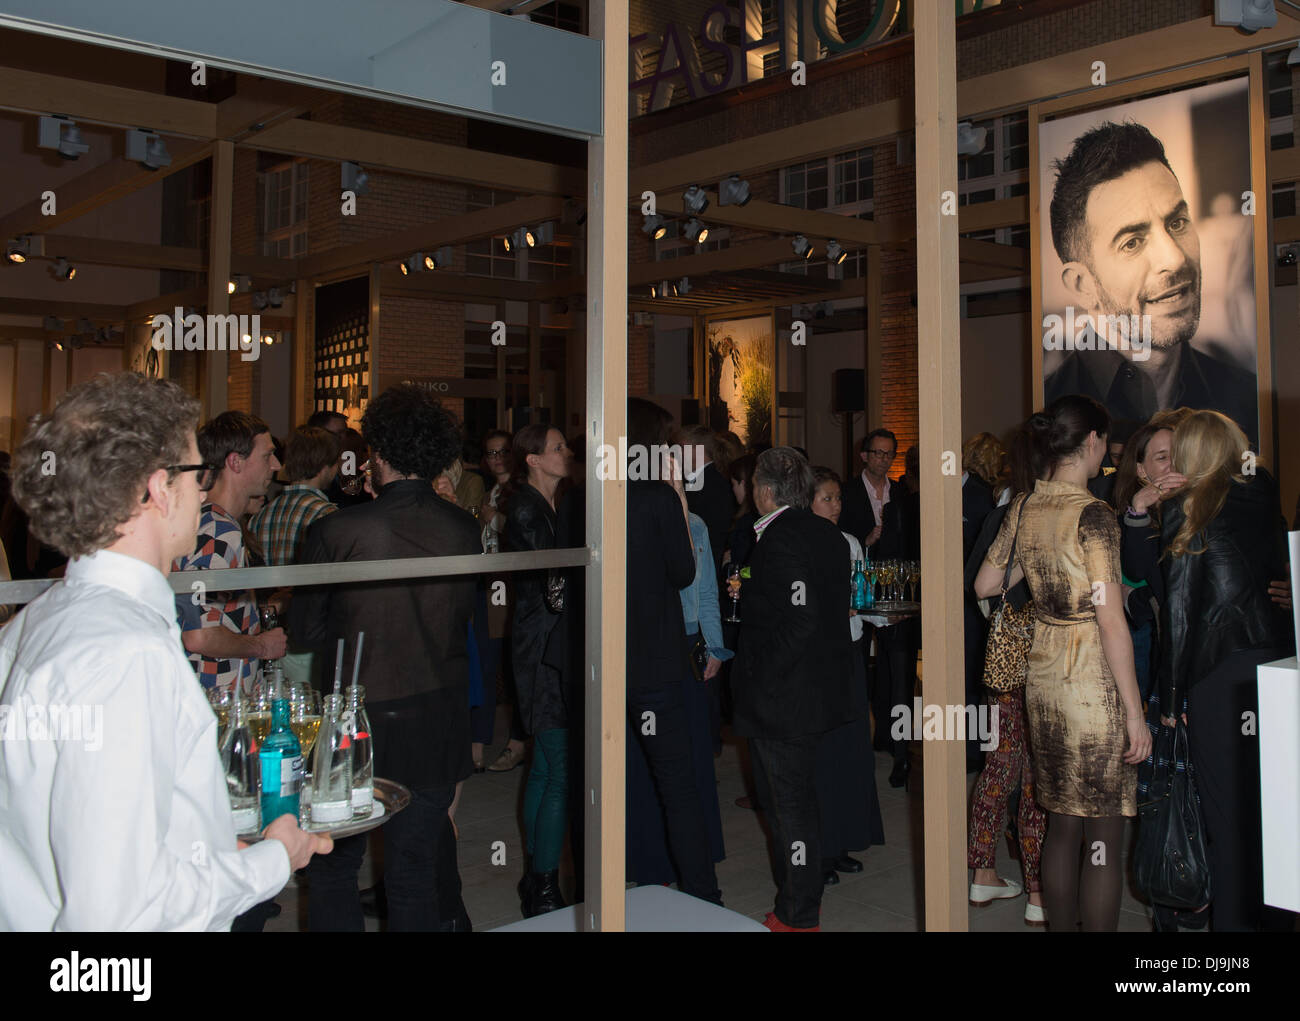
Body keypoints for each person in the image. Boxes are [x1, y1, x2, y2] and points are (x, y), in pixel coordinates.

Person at [0, 373, 330, 930]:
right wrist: (274, 859)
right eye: (194, 471)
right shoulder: (124, 655)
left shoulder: (38, 623)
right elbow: (121, 910)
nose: (203, 489)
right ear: (157, 488)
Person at [291, 384, 480, 932]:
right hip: (436, 714)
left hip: (357, 718)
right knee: (415, 868)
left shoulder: (337, 529)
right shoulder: (463, 528)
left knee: (333, 865)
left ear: (379, 454)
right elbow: (463, 616)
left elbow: (307, 630)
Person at [976, 395, 1151, 932]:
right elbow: (1111, 620)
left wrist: (1045, 587)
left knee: (1060, 824)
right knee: (1102, 835)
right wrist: (1136, 714)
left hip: (1043, 676)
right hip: (1091, 682)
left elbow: (984, 584)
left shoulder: (1026, 505)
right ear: (1094, 441)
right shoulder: (1093, 514)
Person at [1157, 411, 1295, 931]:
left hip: (1219, 675)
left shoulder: (1190, 505)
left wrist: (1171, 702)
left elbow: (1180, 610)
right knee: (1273, 812)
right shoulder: (1262, 491)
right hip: (1276, 666)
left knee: (1227, 821)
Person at [1043, 121, 1257, 443]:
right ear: (1082, 285)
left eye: (1177, 222)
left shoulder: (1245, 399)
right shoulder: (1049, 416)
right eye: (1132, 242)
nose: (1175, 258)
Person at [734, 447, 852, 931]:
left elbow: (801, 619)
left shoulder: (779, 539)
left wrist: (761, 672)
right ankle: (801, 901)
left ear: (764, 491)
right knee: (798, 802)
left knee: (789, 811)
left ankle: (798, 916)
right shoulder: (829, 535)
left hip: (784, 697)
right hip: (819, 690)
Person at [626, 398, 723, 908]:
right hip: (653, 662)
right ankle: (703, 895)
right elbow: (684, 573)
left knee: (602, 777)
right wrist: (680, 503)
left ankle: (604, 885)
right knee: (676, 783)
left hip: (601, 660)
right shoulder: (656, 500)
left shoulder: (584, 496)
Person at [964, 451, 1048, 927]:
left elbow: (976, 585)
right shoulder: (1074, 514)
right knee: (1037, 772)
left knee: (1001, 762)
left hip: (1007, 654)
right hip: (1055, 656)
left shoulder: (1004, 512)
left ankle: (983, 870)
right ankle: (1038, 889)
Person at [504, 424, 576, 917]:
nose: (566, 452)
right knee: (558, 764)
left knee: (547, 765)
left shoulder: (552, 506)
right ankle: (544, 885)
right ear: (531, 460)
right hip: (541, 642)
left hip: (546, 639)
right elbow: (554, 583)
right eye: (556, 448)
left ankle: (537, 880)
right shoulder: (527, 510)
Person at [173, 411, 286, 695]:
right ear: (235, 462)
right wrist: (262, 645)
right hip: (214, 697)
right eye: (267, 456)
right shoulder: (219, 530)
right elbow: (199, 634)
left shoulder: (205, 521)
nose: (276, 465)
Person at [809, 467, 885, 886]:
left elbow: (863, 595)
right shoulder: (798, 544)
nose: (835, 506)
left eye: (838, 498)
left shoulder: (851, 542)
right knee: (820, 756)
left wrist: (875, 606)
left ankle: (840, 842)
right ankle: (816, 849)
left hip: (849, 653)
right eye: (826, 498)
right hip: (819, 659)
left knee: (849, 751)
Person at [683, 424, 737, 583]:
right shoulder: (698, 480)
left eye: (681, 448)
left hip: (704, 567)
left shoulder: (714, 485)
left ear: (696, 451)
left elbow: (713, 533)